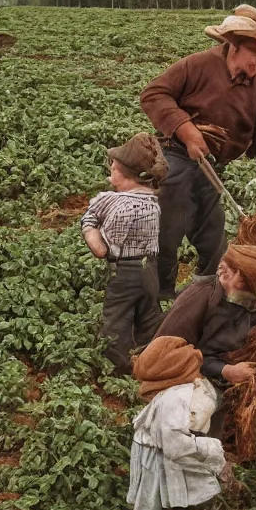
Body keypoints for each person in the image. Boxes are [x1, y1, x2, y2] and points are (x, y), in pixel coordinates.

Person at [140, 4, 256, 302]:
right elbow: (153, 94)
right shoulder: (197, 66)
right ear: (234, 47)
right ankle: (160, 295)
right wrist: (186, 129)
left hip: (212, 168)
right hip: (176, 156)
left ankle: (203, 294)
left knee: (213, 236)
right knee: (169, 221)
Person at [128, 335, 235, 510]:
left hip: (158, 457)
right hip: (169, 461)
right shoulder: (176, 397)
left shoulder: (172, 392)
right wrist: (214, 454)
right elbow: (176, 445)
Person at [154, 243, 256, 392]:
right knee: (200, 407)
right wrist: (226, 371)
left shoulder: (241, 298)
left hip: (218, 373)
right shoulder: (202, 297)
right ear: (228, 273)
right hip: (178, 377)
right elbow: (178, 355)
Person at [81, 133, 168, 376]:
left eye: (115, 166)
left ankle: (118, 371)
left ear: (127, 175)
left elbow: (101, 249)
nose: (111, 168)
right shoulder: (152, 201)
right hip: (149, 270)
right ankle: (153, 361)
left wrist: (89, 224)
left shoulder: (117, 204)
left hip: (126, 272)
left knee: (116, 323)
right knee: (149, 317)